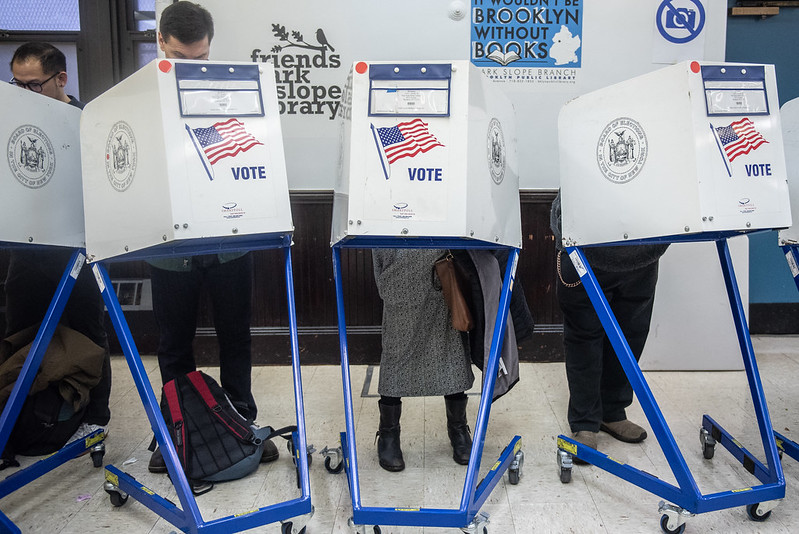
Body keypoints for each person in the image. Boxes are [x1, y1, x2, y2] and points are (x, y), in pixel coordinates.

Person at [147, 1, 278, 473]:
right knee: (174, 345)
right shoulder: (138, 98)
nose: (192, 70)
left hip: (228, 238)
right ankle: (177, 432)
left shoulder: (230, 90)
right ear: (160, 42)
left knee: (236, 337)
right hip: (168, 247)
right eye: (182, 60)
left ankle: (241, 424)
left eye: (200, 60)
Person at [5, 42, 112, 441]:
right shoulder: (10, 120)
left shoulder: (87, 122)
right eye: (16, 83)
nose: (22, 93)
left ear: (60, 79)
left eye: (32, 85)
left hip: (76, 245)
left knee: (88, 329)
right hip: (24, 246)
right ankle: (19, 418)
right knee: (21, 330)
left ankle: (96, 418)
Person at [550, 191, 668, 459]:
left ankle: (613, 412)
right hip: (584, 248)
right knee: (584, 339)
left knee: (630, 336)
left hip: (642, 252)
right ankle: (584, 422)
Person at [371, 249, 475, 471]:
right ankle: (388, 433)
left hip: (440, 259)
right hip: (398, 253)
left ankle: (458, 429)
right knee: (397, 347)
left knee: (449, 343)